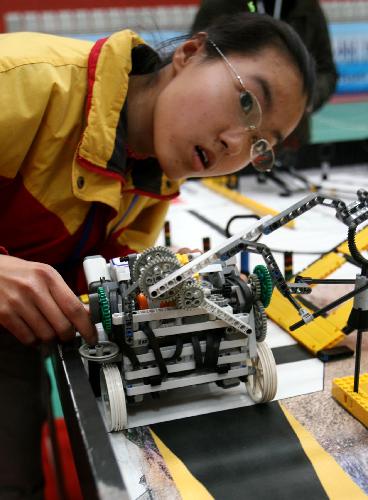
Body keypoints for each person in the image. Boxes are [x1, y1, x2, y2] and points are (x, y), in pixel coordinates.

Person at [0, 12, 314, 498]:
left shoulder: (153, 181)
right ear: (190, 54)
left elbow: (107, 288)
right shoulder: (23, 80)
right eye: (246, 101)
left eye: (260, 145)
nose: (236, 143)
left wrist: (166, 290)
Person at [191, 0, 338, 166]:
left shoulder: (307, 7)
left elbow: (326, 70)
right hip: (223, 139)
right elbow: (197, 62)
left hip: (290, 142)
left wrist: (304, 100)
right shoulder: (220, 5)